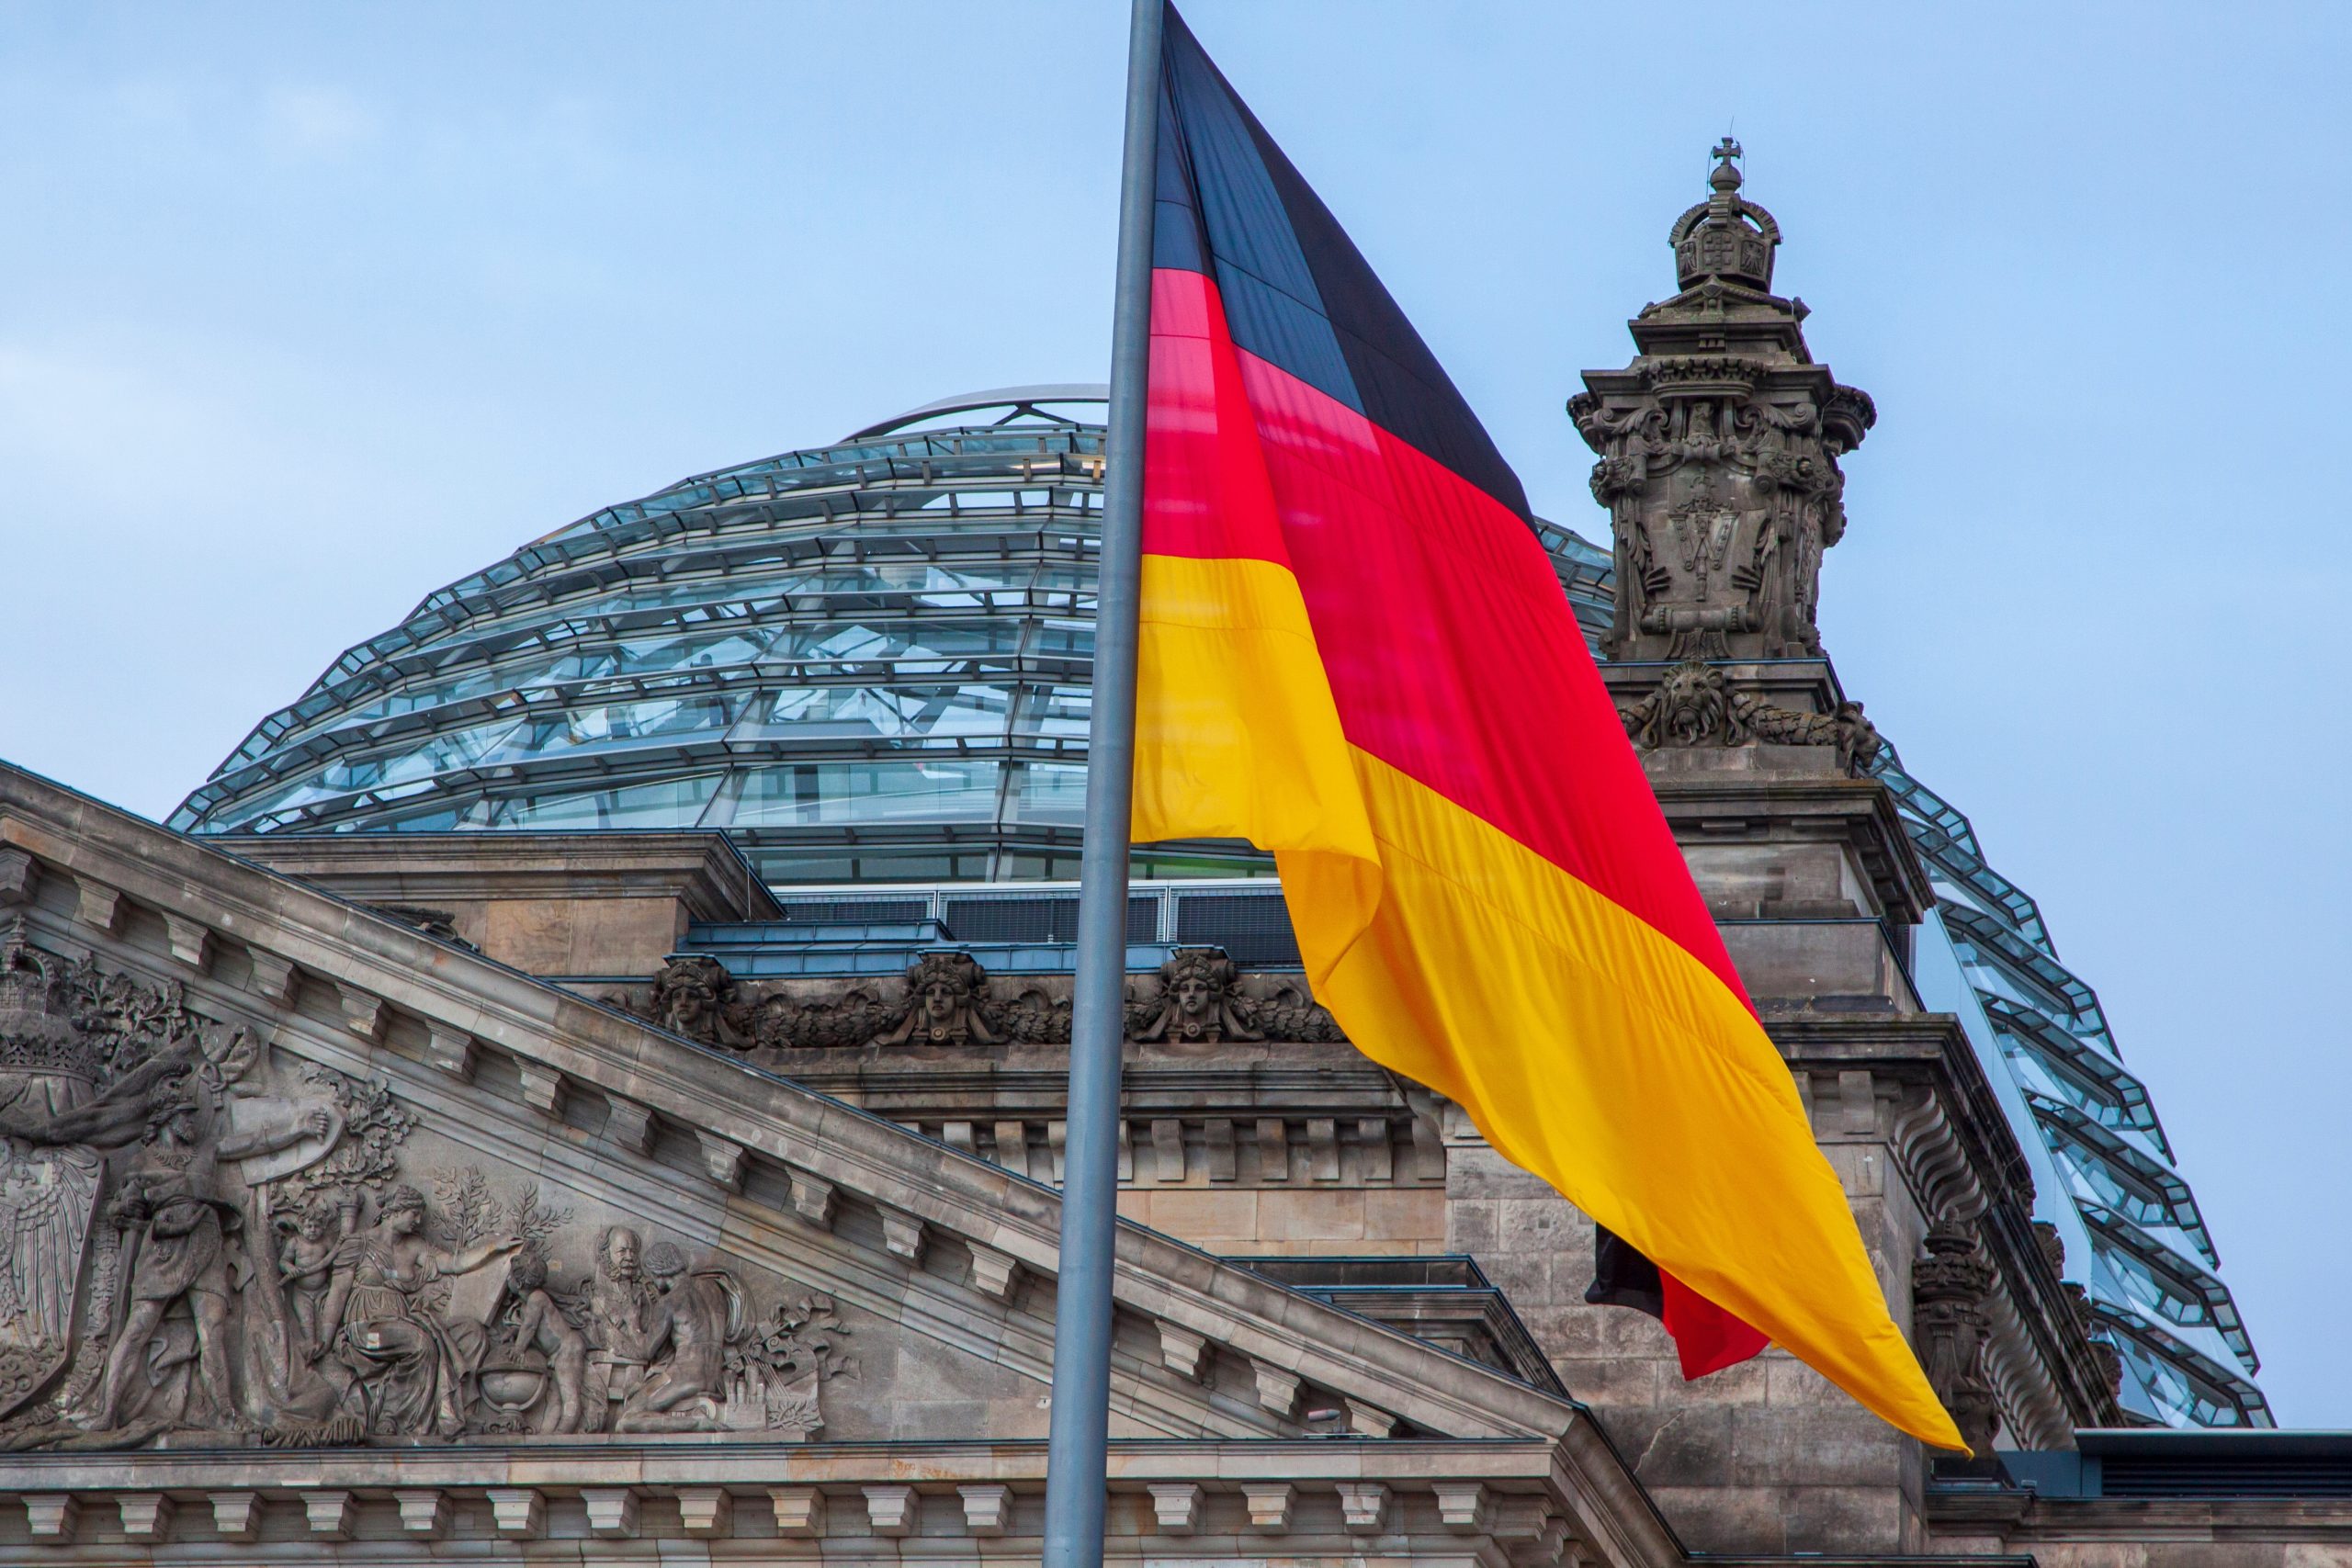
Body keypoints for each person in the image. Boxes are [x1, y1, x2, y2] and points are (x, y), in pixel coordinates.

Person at [313, 1185, 518, 1438]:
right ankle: (391, 1417)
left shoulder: (415, 1247)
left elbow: (453, 1263)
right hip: (366, 1327)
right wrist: (326, 1337)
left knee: (471, 1333)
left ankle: (456, 1409)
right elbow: (338, 1292)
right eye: (414, 1213)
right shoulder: (359, 1243)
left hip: (404, 1321)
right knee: (420, 1342)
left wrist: (494, 1247)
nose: (418, 1221)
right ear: (395, 1211)